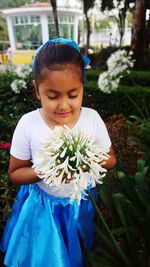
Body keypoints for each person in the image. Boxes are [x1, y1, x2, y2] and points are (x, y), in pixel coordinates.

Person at [0, 38, 116, 267]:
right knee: (47, 256)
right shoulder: (29, 124)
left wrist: (85, 162)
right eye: (52, 96)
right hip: (43, 209)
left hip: (80, 203)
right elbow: (15, 174)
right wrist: (46, 171)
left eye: (73, 94)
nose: (63, 106)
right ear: (37, 90)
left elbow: (111, 159)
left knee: (77, 249)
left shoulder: (91, 119)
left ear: (83, 86)